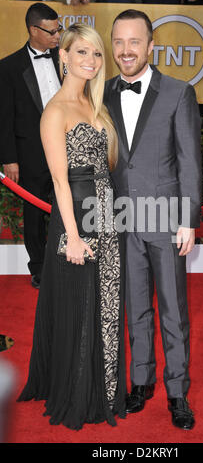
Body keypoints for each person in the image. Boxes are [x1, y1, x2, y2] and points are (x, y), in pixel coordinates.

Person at [17, 23, 126, 430]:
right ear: (62, 56)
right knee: (80, 306)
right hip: (75, 219)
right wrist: (74, 238)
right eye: (82, 52)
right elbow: (60, 181)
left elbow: (108, 171)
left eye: (96, 54)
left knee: (106, 303)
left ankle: (105, 388)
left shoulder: (96, 106)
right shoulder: (55, 111)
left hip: (107, 215)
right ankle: (78, 392)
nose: (91, 61)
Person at [104, 9, 202, 430]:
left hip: (165, 219)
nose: (127, 50)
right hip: (122, 219)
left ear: (151, 46)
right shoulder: (102, 92)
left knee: (173, 311)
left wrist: (188, 219)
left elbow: (189, 162)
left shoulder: (179, 93)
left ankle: (177, 391)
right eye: (120, 42)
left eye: (135, 42)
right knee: (135, 307)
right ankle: (140, 380)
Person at [0, 3, 61, 289]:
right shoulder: (9, 67)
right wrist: (9, 159)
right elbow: (5, 117)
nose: (57, 36)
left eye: (59, 29)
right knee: (34, 213)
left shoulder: (66, 59)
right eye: (51, 31)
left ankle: (66, 261)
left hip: (66, 148)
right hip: (30, 153)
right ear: (33, 30)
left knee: (67, 207)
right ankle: (38, 268)